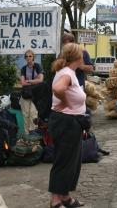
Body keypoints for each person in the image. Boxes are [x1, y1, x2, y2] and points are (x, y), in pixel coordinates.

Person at [49, 43, 86, 208]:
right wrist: (65, 102)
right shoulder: (66, 74)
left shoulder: (69, 72)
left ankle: (64, 196)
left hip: (71, 122)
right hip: (65, 122)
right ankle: (55, 200)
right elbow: (58, 88)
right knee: (64, 161)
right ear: (78, 57)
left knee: (71, 162)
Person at [20, 49, 44, 134]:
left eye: (30, 56)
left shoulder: (38, 66)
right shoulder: (23, 68)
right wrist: (34, 80)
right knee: (25, 114)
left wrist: (29, 81)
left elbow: (41, 80)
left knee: (33, 113)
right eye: (26, 56)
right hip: (26, 94)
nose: (28, 58)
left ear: (33, 57)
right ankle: (27, 134)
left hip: (36, 94)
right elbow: (22, 82)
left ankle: (33, 133)